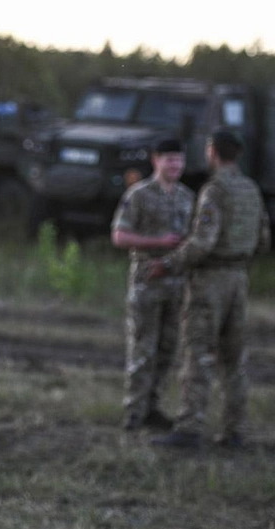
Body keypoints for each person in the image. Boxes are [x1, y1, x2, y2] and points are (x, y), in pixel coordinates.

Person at [148, 128, 271, 450]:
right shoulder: (251, 189)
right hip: (239, 279)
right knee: (234, 359)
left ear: (213, 152)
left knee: (197, 353)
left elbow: (202, 243)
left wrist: (168, 264)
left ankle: (189, 428)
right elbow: (263, 239)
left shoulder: (215, 191)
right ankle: (235, 431)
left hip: (211, 281)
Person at [110, 137, 196, 431]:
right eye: (169, 159)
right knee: (143, 349)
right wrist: (157, 242)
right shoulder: (139, 195)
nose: (175, 165)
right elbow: (120, 236)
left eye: (179, 160)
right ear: (156, 160)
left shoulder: (187, 197)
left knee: (167, 350)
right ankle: (134, 412)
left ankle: (152, 407)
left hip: (178, 283)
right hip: (147, 281)